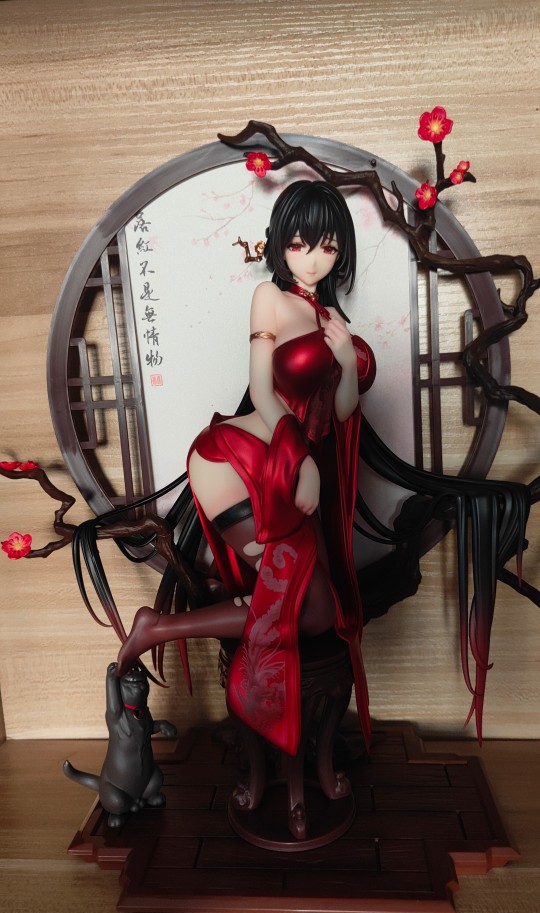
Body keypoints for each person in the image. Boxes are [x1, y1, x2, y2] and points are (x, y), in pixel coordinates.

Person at [116, 180, 375, 756]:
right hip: (241, 460)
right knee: (306, 606)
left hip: (291, 469)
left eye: (328, 246)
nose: (313, 259)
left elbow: (341, 412)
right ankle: (162, 632)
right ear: (280, 243)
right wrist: (302, 462)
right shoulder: (269, 298)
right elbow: (261, 390)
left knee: (308, 608)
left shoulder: (332, 315)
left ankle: (156, 627)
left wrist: (345, 358)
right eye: (300, 244)